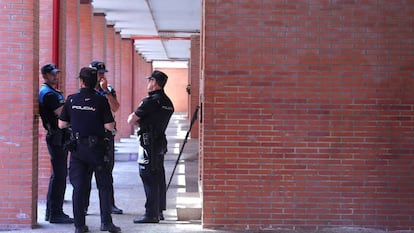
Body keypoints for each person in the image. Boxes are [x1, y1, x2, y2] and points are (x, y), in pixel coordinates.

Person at [58, 67, 121, 233]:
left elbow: (62, 124)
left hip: (78, 150)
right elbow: (109, 125)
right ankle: (106, 223)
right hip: (98, 150)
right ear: (95, 83)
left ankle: (79, 225)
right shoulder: (100, 101)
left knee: (79, 187)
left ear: (81, 81)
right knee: (104, 187)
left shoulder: (71, 100)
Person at [127, 70, 174, 223]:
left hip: (148, 144)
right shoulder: (168, 103)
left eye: (149, 80)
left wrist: (140, 120)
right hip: (160, 142)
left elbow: (131, 119)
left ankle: (151, 214)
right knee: (159, 176)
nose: (148, 83)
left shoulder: (150, 101)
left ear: (154, 82)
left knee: (148, 176)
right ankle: (159, 210)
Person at [82, 61, 123, 215]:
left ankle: (109, 205)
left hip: (106, 136)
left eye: (102, 73)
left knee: (107, 171)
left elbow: (115, 108)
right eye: (98, 73)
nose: (101, 76)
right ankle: (84, 206)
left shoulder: (109, 90)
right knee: (86, 174)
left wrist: (106, 91)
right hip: (89, 135)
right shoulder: (85, 90)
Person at [38, 63, 74, 224]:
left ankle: (52, 212)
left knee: (58, 175)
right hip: (56, 137)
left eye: (56, 73)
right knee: (59, 176)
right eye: (52, 74)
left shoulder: (52, 92)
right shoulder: (49, 94)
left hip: (59, 136)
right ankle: (55, 213)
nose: (56, 76)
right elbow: (62, 115)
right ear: (45, 76)